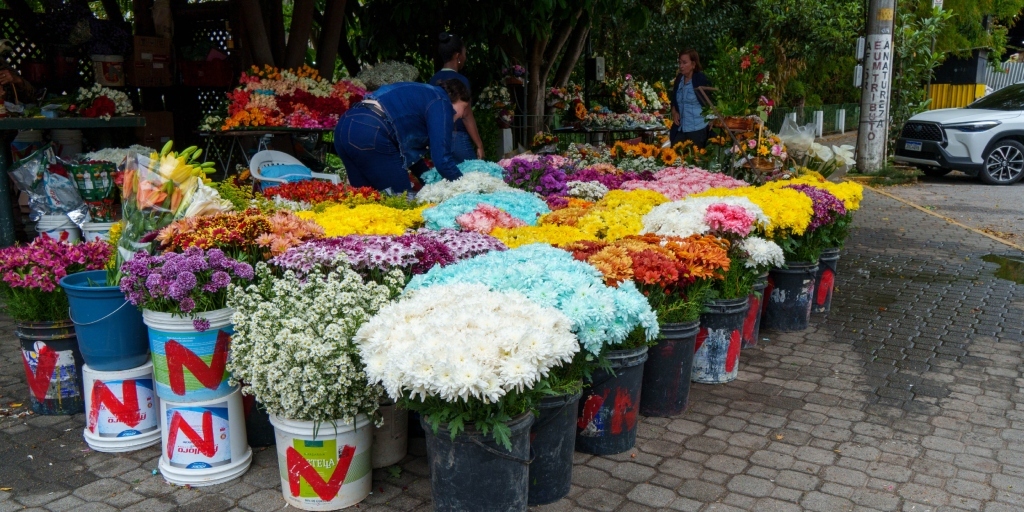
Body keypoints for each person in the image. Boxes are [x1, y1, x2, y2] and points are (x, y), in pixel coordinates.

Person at [334, 80, 470, 194]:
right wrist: (467, 188)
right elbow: (443, 161)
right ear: (457, 99)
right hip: (370, 130)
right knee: (403, 203)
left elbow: (409, 153)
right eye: (464, 109)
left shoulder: (424, 93)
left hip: (345, 126)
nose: (462, 116)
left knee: (364, 200)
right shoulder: (441, 102)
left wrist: (428, 180)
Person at [427, 33, 485, 162]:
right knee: (471, 176)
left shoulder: (433, 80)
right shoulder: (461, 81)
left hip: (437, 137)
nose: (465, 57)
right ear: (457, 56)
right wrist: (479, 145)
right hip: (458, 137)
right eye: (465, 54)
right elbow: (466, 115)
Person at [669, 49, 712, 148]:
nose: (681, 66)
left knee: (694, 160)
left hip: (697, 128)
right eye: (680, 62)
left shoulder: (700, 79)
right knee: (675, 158)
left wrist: (713, 119)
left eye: (684, 63)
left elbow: (711, 101)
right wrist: (674, 112)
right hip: (680, 128)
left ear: (693, 64)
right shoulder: (679, 79)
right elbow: (674, 100)